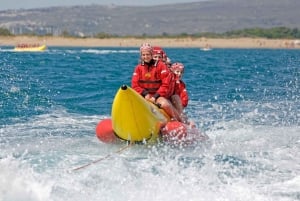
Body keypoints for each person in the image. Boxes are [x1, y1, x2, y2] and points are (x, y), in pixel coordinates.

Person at [131, 43, 182, 122]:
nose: (145, 57)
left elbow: (165, 85)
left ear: (151, 54)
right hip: (145, 96)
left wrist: (154, 97)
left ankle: (177, 120)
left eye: (148, 54)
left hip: (158, 96)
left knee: (165, 104)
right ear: (141, 55)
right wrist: (145, 93)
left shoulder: (161, 66)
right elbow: (134, 85)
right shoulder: (138, 68)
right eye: (143, 55)